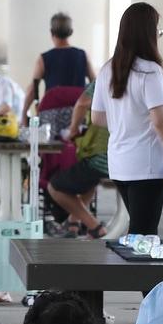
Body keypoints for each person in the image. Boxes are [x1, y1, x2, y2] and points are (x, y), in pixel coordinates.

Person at [93, 1, 163, 236]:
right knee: (144, 235)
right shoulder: (150, 71)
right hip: (146, 165)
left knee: (138, 231)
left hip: (119, 163)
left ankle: (129, 271)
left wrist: (124, 119)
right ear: (148, 34)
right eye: (157, 31)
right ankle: (132, 274)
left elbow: (97, 118)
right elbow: (160, 121)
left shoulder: (107, 70)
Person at [47, 81, 110, 238]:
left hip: (104, 157)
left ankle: (95, 228)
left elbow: (82, 103)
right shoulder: (148, 74)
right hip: (130, 158)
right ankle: (73, 223)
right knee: (88, 178)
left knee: (55, 187)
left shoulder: (109, 74)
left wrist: (73, 130)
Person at [23, 12, 95, 114]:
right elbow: (95, 83)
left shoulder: (43, 59)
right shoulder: (83, 55)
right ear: (71, 32)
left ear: (51, 32)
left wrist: (24, 114)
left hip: (51, 114)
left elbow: (32, 90)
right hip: (79, 114)